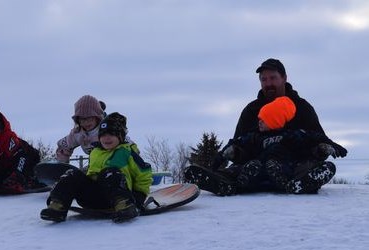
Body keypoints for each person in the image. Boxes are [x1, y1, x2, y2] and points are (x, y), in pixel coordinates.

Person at [185, 58, 346, 195]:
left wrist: (323, 148)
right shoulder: (251, 110)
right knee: (241, 169)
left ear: (284, 78)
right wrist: (233, 152)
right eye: (264, 79)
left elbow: (315, 139)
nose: (268, 83)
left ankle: (300, 184)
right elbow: (241, 142)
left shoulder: (302, 108)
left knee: (314, 166)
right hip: (256, 168)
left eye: (273, 78)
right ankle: (223, 182)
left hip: (292, 168)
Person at [217, 96, 347, 193]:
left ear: (274, 120)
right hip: (258, 171)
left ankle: (299, 185)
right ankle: (222, 180)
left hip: (286, 171)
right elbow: (238, 141)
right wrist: (227, 153)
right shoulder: (256, 136)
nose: (259, 122)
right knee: (248, 167)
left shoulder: (291, 135)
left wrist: (327, 145)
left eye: (263, 119)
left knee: (327, 166)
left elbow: (313, 136)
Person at [40, 112, 153, 223]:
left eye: (111, 134)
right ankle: (57, 207)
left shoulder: (126, 152)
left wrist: (139, 196)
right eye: (103, 135)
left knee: (109, 172)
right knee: (72, 173)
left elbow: (144, 173)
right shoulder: (95, 152)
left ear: (120, 136)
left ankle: (124, 205)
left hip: (116, 198)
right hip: (92, 198)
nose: (107, 138)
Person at [55, 95, 107, 163]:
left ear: (97, 117)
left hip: (111, 163)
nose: (86, 122)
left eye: (89, 118)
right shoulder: (78, 133)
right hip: (94, 164)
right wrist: (62, 166)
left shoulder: (107, 130)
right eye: (82, 119)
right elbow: (63, 147)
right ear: (77, 120)